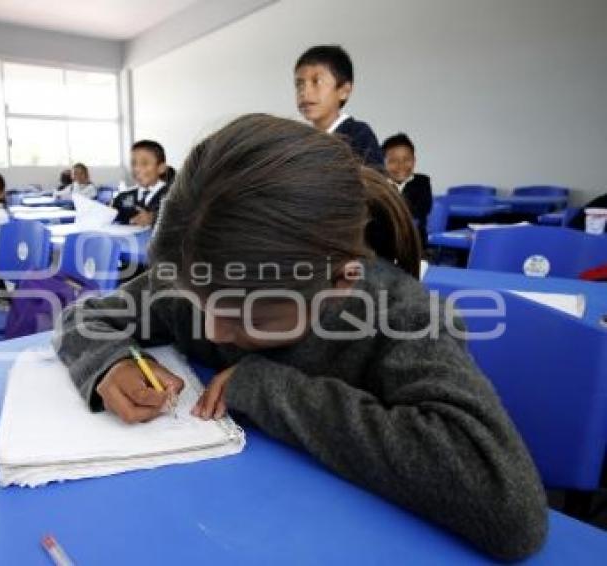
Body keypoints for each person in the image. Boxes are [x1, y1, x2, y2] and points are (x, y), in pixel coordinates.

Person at [54, 115, 547, 561]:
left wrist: (267, 387)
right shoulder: (199, 273)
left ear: (340, 282)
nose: (212, 329)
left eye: (247, 317)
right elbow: (83, 317)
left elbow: (510, 508)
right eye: (199, 303)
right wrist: (109, 363)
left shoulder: (401, 314)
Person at [295, 45, 383, 166]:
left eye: (317, 82)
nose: (305, 92)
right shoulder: (299, 141)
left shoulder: (358, 135)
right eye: (299, 84)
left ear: (344, 91)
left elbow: (375, 176)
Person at [382, 133, 433, 245]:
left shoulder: (422, 182)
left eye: (406, 160)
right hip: (384, 244)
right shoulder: (379, 184)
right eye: (393, 161)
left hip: (414, 243)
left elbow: (421, 210)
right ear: (384, 163)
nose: (401, 165)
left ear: (414, 161)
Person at [111, 140, 170, 226]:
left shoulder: (174, 197)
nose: (136, 169)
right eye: (133, 163)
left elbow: (183, 220)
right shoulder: (122, 197)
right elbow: (112, 220)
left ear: (161, 168)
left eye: (144, 163)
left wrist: (154, 219)